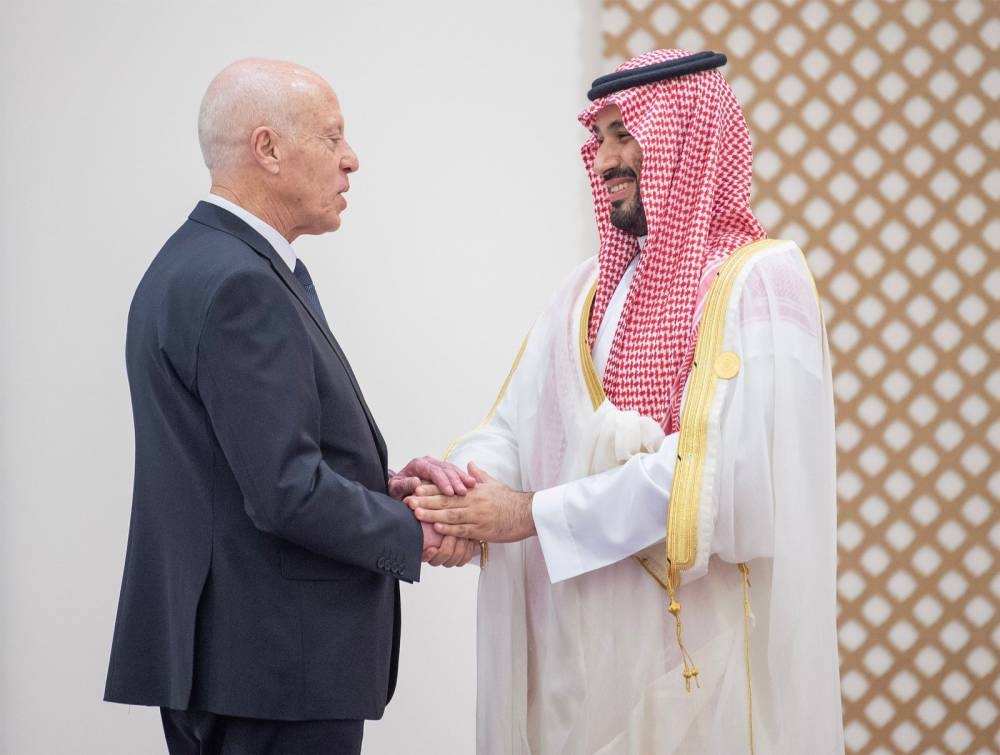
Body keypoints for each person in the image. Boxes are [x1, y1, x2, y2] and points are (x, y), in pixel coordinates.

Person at [408, 49, 843, 753]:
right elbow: (517, 426)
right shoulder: (585, 291)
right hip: (582, 670)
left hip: (703, 667)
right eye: (598, 138)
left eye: (625, 134)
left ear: (686, 139)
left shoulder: (761, 284)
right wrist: (457, 494)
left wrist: (528, 514)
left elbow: (730, 484)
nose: (605, 159)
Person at [103, 58, 474, 755]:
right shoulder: (242, 282)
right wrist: (413, 527)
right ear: (267, 148)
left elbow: (233, 467)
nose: (351, 159)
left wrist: (380, 487)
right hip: (275, 669)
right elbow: (284, 490)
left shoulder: (189, 264)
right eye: (332, 137)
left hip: (230, 665)